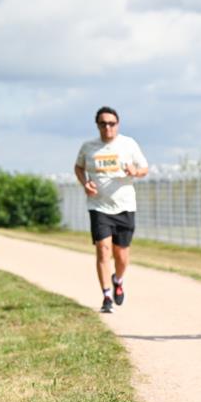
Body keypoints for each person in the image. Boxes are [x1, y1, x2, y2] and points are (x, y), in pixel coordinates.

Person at [74, 106, 149, 313]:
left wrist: (135, 171)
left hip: (125, 206)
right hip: (99, 206)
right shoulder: (88, 147)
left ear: (118, 124)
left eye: (112, 123)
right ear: (97, 125)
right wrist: (85, 183)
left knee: (122, 256)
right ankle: (106, 296)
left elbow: (144, 168)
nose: (108, 127)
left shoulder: (128, 144)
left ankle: (118, 279)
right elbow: (78, 167)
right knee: (103, 250)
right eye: (103, 123)